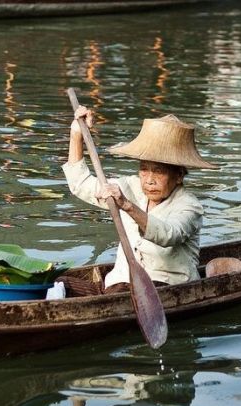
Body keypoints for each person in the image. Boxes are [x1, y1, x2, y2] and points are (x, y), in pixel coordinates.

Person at [60, 106, 218, 296]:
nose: (149, 180)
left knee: (121, 294)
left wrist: (127, 206)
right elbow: (80, 184)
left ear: (179, 176)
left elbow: (169, 235)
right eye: (144, 169)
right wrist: (76, 134)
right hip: (118, 284)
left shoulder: (190, 206)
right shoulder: (130, 186)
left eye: (159, 171)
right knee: (57, 284)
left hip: (166, 287)